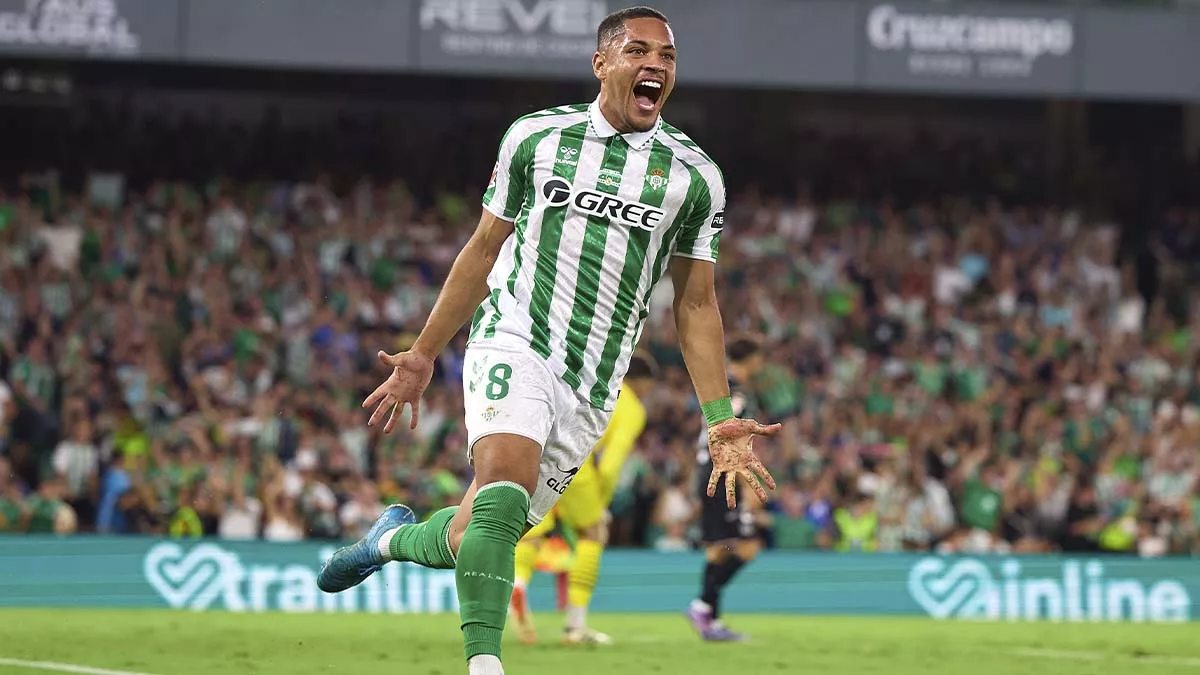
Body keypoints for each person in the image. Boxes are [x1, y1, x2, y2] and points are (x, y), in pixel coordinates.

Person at [316, 7, 779, 675]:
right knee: (503, 489)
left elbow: (697, 302)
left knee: (479, 533)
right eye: (638, 51)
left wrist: (719, 416)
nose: (655, 64)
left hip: (594, 385)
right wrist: (423, 352)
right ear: (601, 63)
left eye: (668, 56)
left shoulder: (694, 177)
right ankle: (485, 665)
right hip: (516, 338)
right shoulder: (536, 138)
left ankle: (386, 543)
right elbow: (483, 249)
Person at [509, 352, 657, 646]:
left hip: (538, 453)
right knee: (594, 532)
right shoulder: (631, 406)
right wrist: (601, 502)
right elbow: (612, 462)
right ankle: (575, 626)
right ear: (640, 381)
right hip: (576, 465)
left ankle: (519, 585)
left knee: (532, 532)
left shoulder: (592, 382)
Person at [687, 336, 801, 641]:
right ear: (752, 359)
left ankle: (710, 618)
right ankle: (703, 605)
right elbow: (727, 434)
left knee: (719, 548)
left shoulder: (722, 388)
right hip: (724, 472)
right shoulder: (735, 391)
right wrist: (745, 483)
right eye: (759, 358)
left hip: (710, 470)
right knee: (747, 546)